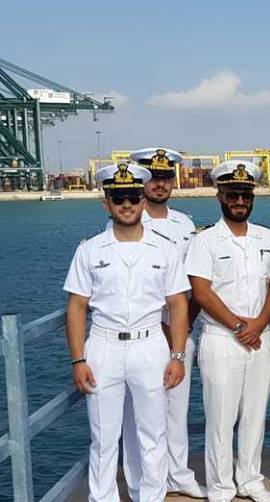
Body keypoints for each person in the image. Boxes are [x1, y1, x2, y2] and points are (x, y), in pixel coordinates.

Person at [64, 162, 189, 502]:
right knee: (103, 437)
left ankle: (150, 496)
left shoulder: (164, 249)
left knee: (153, 434)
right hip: (103, 346)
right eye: (118, 198)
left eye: (133, 197)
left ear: (143, 201)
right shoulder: (89, 250)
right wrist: (78, 359)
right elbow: (76, 307)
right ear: (106, 203)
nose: (127, 205)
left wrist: (177, 355)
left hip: (150, 345)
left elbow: (178, 305)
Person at [185, 160, 270, 502]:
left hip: (261, 336)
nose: (239, 201)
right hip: (221, 338)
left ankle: (250, 480)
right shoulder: (205, 241)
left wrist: (259, 324)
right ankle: (220, 486)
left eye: (245, 194)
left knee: (255, 413)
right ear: (219, 195)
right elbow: (201, 292)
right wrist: (240, 326)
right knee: (220, 416)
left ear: (252, 197)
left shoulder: (267, 238)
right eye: (232, 194)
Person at [118, 146, 206, 500]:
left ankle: (178, 474)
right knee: (137, 412)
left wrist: (181, 330)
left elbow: (195, 282)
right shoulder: (127, 219)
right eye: (153, 177)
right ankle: (140, 482)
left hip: (180, 330)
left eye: (166, 176)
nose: (159, 184)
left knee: (175, 409)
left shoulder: (184, 223)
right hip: (142, 330)